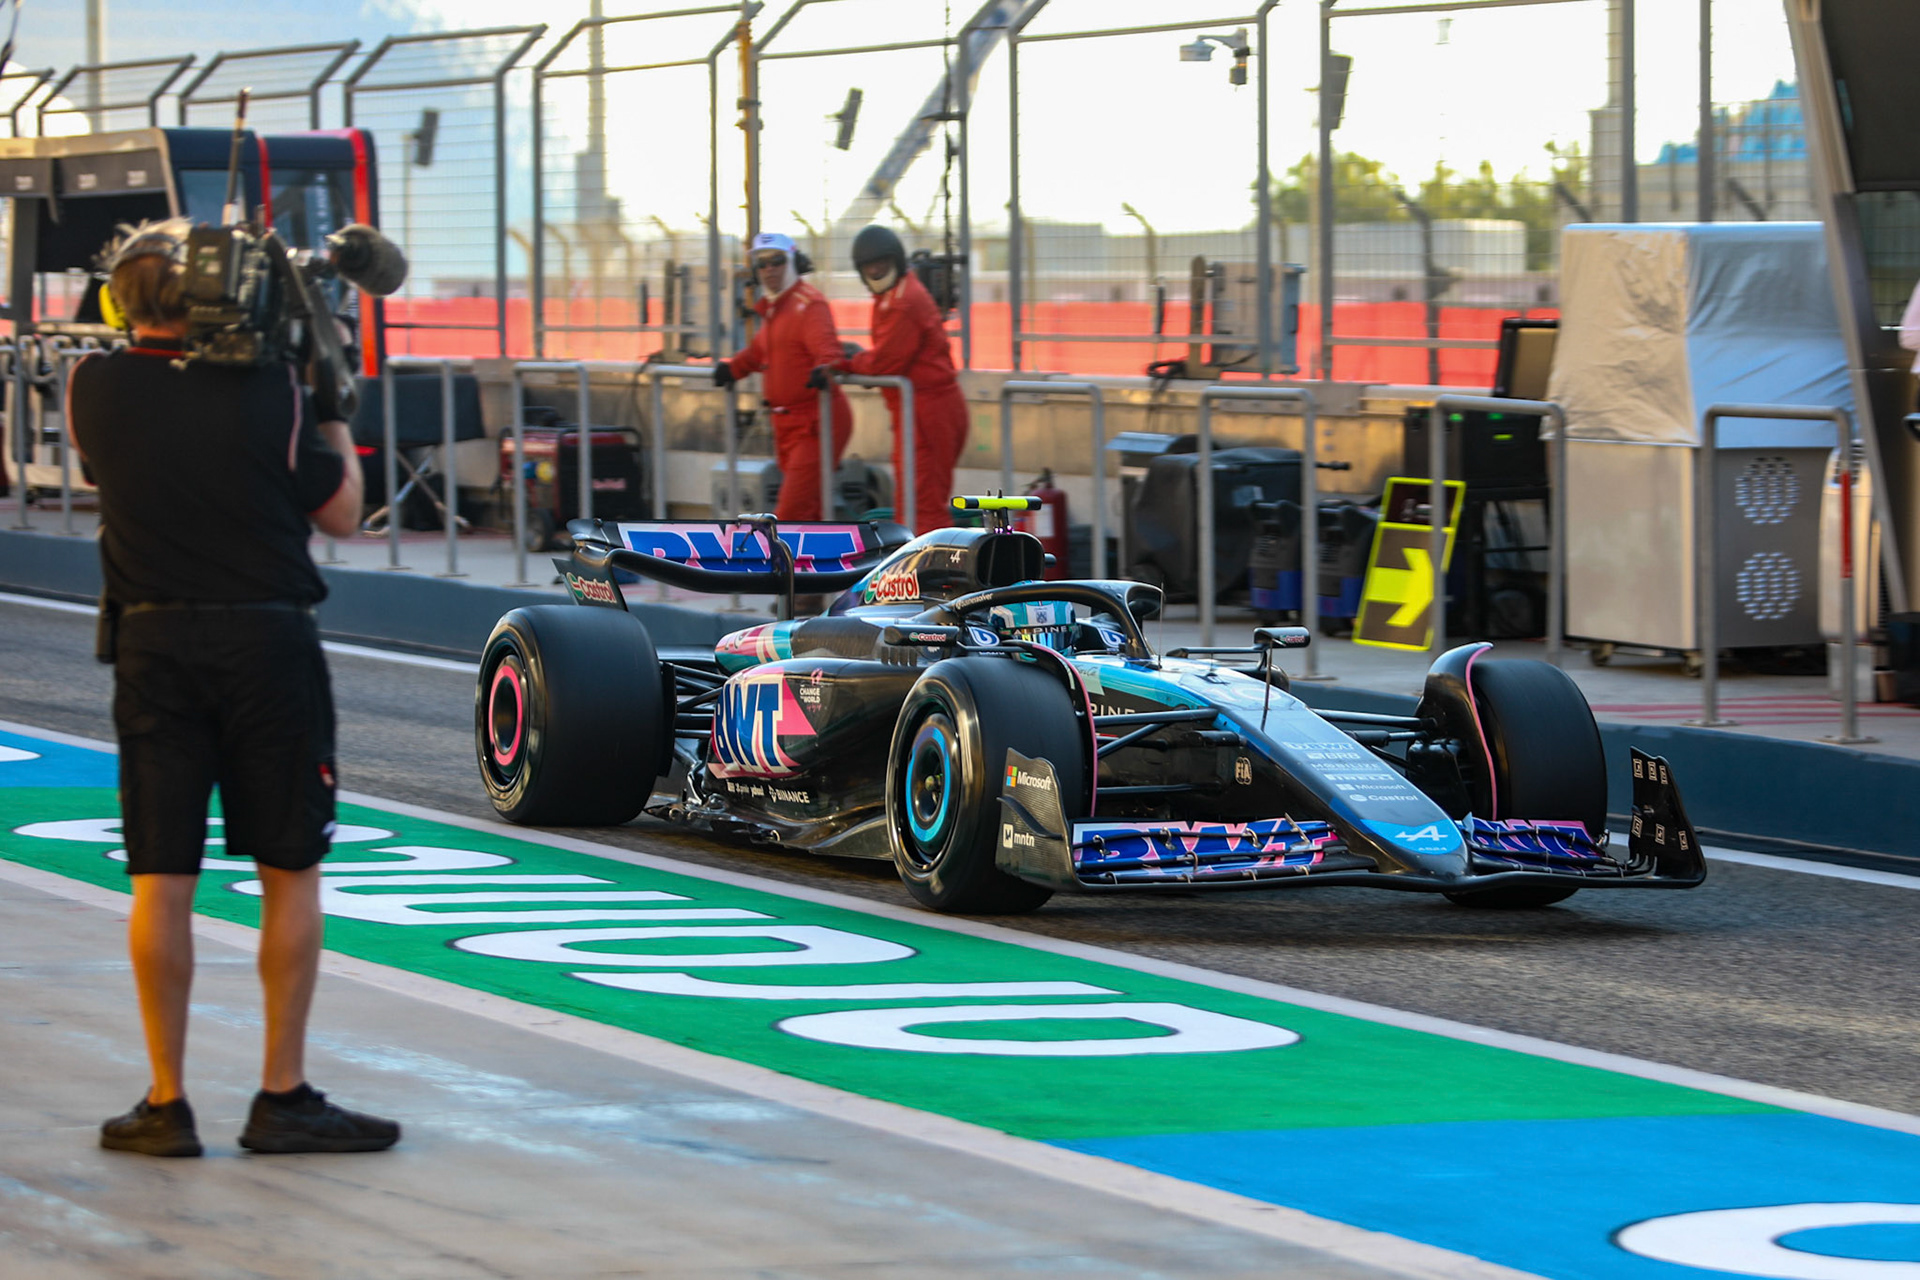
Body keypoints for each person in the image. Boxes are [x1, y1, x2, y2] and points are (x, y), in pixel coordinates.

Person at [67, 219, 398, 1158]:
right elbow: (344, 514)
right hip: (266, 643)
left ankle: (166, 1101)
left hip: (151, 643)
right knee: (288, 869)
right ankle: (281, 1095)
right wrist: (330, 398)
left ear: (119, 298)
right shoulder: (273, 390)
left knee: (159, 878)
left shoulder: (92, 385)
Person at [811, 226, 967, 534]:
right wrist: (854, 361)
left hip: (929, 411)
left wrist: (846, 364)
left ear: (895, 259)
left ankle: (928, 579)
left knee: (923, 507)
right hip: (918, 411)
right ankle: (917, 575)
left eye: (881, 262)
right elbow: (887, 356)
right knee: (911, 502)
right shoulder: (892, 295)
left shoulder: (903, 301)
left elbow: (886, 362)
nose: (876, 269)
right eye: (870, 265)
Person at [714, 231, 853, 522]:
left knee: (790, 513)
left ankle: (786, 567)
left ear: (791, 262)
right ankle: (810, 566)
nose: (769, 269)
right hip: (787, 425)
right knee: (808, 513)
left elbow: (827, 348)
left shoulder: (808, 304)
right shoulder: (775, 310)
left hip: (815, 423)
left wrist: (826, 368)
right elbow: (759, 352)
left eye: (776, 261)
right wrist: (732, 369)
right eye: (762, 263)